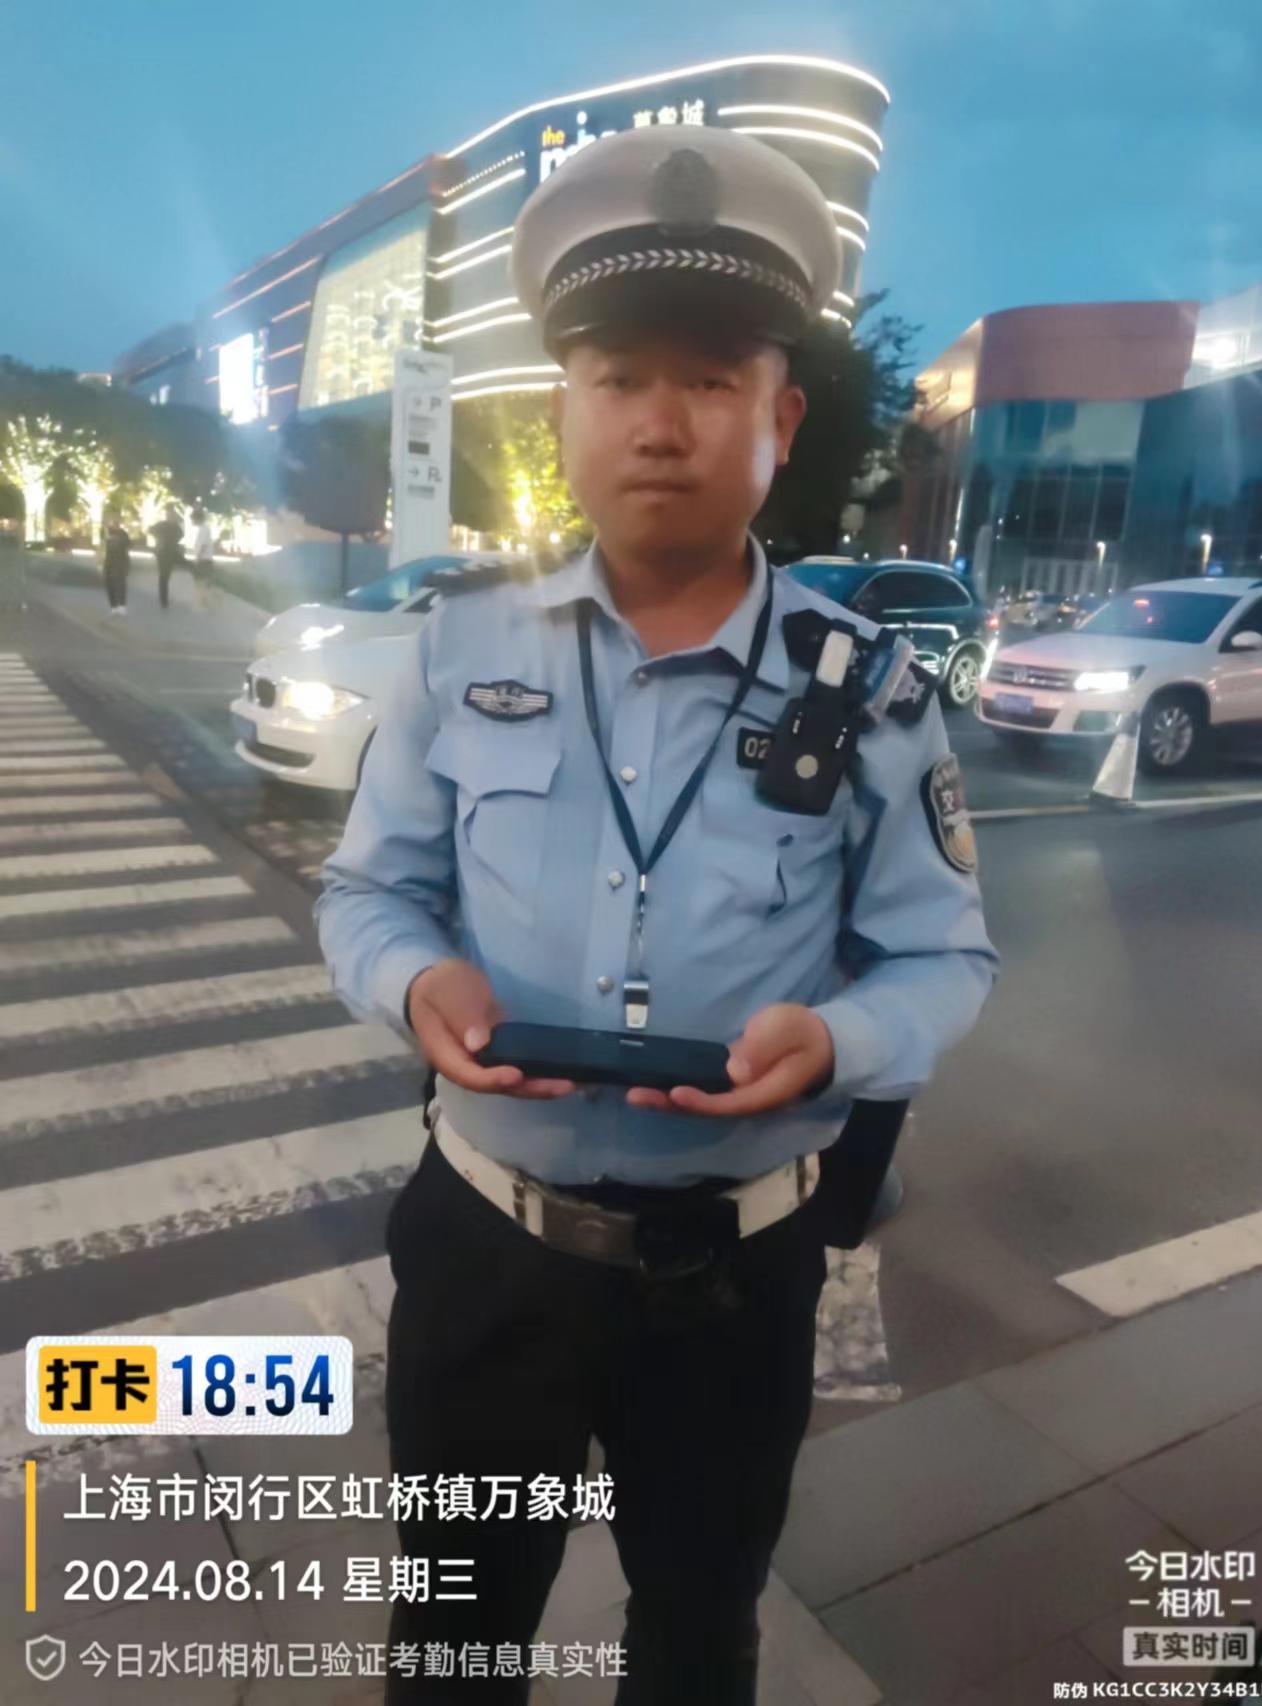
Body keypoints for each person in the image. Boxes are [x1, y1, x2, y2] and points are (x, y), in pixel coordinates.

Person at [317, 125, 997, 1706]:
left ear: (782, 415)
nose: (661, 421)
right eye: (618, 376)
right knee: (453, 1639)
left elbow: (944, 953)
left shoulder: (872, 691)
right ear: (564, 407)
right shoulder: (458, 649)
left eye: (709, 376)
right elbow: (368, 891)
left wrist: (839, 1038)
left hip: (735, 1280)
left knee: (698, 1638)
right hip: (488, 1257)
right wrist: (416, 984)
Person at [150, 504, 184, 611]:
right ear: (167, 514)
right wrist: (159, 540)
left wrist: (179, 519)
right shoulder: (162, 525)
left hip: (170, 553)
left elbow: (182, 533)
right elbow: (151, 530)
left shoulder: (175, 527)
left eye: (172, 513)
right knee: (163, 577)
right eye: (169, 513)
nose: (170, 515)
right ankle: (163, 600)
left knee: (166, 576)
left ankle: (164, 599)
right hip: (162, 553)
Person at [100, 514, 131, 616]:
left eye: (115, 522)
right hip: (108, 563)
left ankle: (122, 605)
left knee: (120, 584)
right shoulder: (105, 533)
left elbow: (126, 546)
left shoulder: (123, 534)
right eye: (111, 522)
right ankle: (113, 606)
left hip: (120, 563)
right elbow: (102, 547)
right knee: (109, 584)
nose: (112, 524)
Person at [189, 503, 214, 611]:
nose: (192, 522)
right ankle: (204, 602)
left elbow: (203, 546)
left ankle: (205, 603)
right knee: (200, 582)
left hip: (204, 560)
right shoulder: (203, 529)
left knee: (200, 582)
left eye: (193, 520)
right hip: (204, 559)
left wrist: (197, 559)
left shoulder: (204, 529)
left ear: (197, 519)